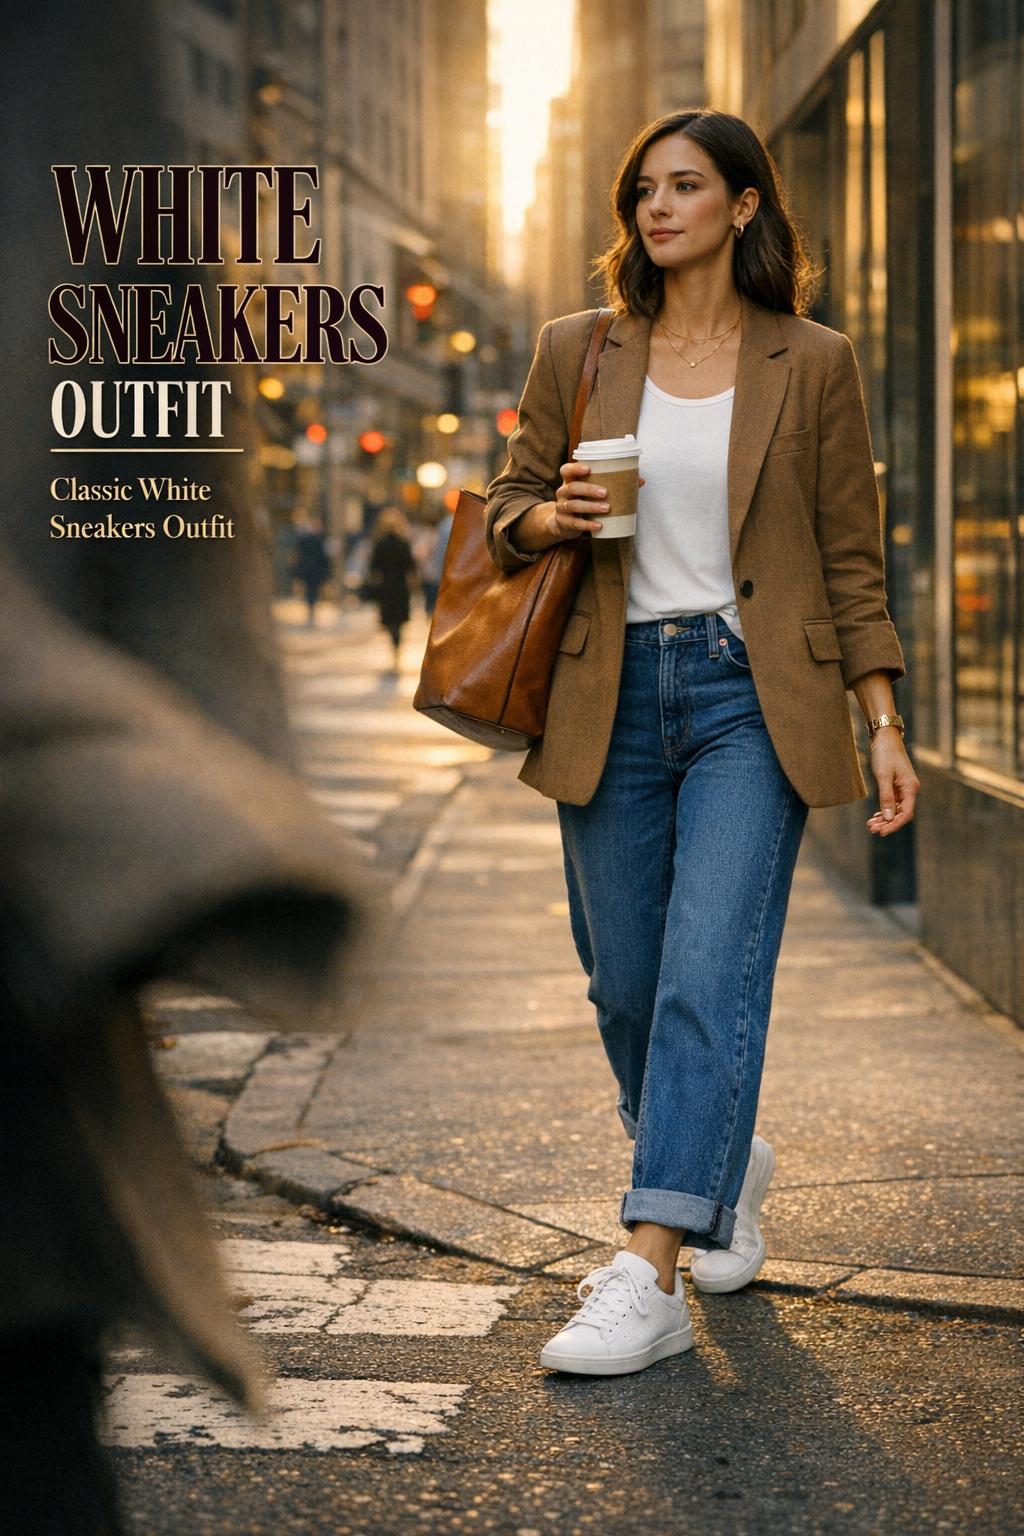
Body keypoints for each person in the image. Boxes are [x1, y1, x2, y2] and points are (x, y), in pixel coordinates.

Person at [484, 108, 919, 1377]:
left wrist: (881, 718)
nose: (655, 209)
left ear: (742, 206)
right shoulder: (580, 349)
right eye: (641, 191)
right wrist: (546, 516)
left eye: (684, 187)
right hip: (606, 694)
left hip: (747, 697)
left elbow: (850, 559)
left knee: (700, 974)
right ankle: (721, 1154)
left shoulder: (811, 361)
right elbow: (508, 503)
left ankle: (649, 1266)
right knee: (622, 982)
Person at [366, 505, 418, 672]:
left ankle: (394, 648)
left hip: (387, 586)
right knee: (399, 621)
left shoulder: (380, 543)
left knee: (390, 621)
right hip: (400, 586)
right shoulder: (403, 543)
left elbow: (374, 567)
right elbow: (411, 566)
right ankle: (397, 649)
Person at [292, 513, 332, 626]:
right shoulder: (317, 539)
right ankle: (311, 610)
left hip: (309, 569)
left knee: (311, 590)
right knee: (312, 590)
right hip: (313, 570)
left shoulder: (306, 539)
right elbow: (322, 556)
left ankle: (311, 610)